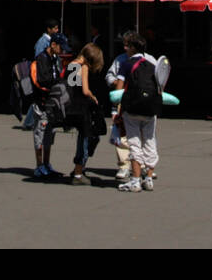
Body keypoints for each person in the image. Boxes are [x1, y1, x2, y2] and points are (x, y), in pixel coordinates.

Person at [117, 32, 161, 192]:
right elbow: (160, 88)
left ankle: (135, 181)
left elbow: (118, 89)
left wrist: (117, 109)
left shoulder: (126, 64)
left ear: (133, 48)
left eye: (127, 45)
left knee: (134, 142)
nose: (125, 48)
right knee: (150, 142)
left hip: (132, 108)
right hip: (150, 109)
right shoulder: (153, 65)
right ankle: (148, 178)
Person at [62, 43, 105, 184]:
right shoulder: (84, 66)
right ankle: (78, 172)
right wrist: (93, 97)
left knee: (83, 138)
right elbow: (85, 90)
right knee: (86, 138)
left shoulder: (71, 64)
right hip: (82, 108)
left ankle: (78, 170)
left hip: (70, 106)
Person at [29, 35, 65, 178]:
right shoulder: (42, 59)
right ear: (54, 44)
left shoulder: (54, 58)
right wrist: (58, 82)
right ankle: (39, 166)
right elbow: (43, 80)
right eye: (60, 48)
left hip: (52, 103)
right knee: (40, 133)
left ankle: (47, 164)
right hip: (42, 103)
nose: (62, 51)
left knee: (49, 135)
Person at [105, 31, 135, 181]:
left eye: (127, 45)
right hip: (122, 101)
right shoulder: (120, 60)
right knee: (122, 135)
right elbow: (109, 76)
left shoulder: (148, 60)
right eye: (124, 44)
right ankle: (124, 166)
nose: (124, 48)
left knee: (142, 135)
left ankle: (142, 166)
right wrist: (116, 82)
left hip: (140, 102)